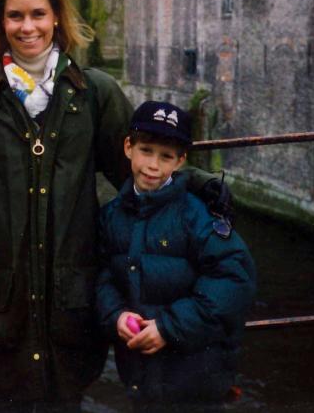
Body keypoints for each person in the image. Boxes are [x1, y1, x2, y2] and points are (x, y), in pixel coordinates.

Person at [0, 0, 233, 412]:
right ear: (1, 22)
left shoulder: (93, 91)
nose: (27, 26)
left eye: (38, 14)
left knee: (66, 394)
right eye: (15, 16)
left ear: (56, 18)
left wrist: (202, 185)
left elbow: (134, 167)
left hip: (71, 284)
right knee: (4, 395)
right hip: (3, 289)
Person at [96, 101, 256, 410]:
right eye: (146, 151)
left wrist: (169, 328)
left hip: (195, 370)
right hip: (141, 369)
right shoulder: (112, 215)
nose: (153, 166)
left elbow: (235, 277)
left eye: (166, 156)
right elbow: (104, 276)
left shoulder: (194, 215)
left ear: (180, 161)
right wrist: (116, 315)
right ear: (128, 147)